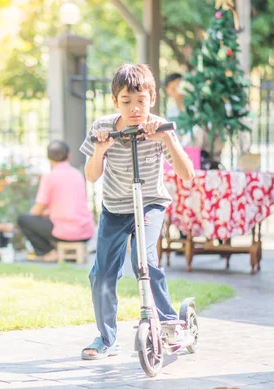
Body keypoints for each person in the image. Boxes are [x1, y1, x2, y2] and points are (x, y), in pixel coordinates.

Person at [78, 63, 195, 360]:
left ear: (152, 98)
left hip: (150, 203)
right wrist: (101, 150)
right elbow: (91, 176)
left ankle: (168, 323)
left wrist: (166, 138)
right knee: (102, 273)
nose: (134, 108)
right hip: (115, 208)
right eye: (126, 101)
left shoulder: (160, 125)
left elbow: (187, 174)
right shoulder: (102, 128)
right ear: (115, 101)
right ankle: (107, 338)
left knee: (144, 259)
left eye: (141, 101)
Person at [17, 140, 95, 262]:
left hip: (64, 233)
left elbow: (37, 210)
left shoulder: (49, 177)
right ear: (69, 156)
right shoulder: (78, 175)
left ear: (49, 158)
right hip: (86, 232)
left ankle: (47, 252)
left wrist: (37, 217)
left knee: (23, 219)